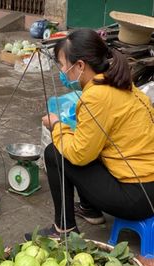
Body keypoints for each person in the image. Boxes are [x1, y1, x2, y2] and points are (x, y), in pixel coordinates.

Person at [31, 29, 154, 238]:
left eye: (62, 64)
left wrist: (57, 125)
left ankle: (64, 229)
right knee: (88, 143)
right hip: (148, 186)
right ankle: (89, 209)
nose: (61, 71)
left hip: (138, 197)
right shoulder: (121, 82)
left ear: (80, 65)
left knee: (55, 152)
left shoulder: (97, 96)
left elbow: (80, 155)